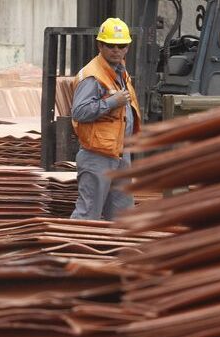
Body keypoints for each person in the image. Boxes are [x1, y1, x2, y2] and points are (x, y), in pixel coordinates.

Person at [69, 17, 141, 221]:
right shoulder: (92, 76)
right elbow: (79, 112)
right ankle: (72, 251)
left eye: (121, 45)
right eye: (110, 45)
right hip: (97, 155)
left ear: (128, 47)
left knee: (122, 215)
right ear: (100, 45)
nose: (116, 50)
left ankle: (117, 253)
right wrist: (111, 102)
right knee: (88, 213)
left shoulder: (120, 71)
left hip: (119, 153)